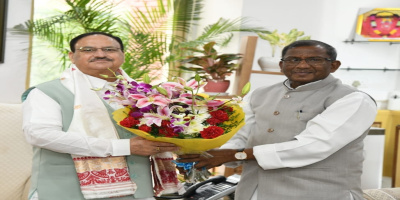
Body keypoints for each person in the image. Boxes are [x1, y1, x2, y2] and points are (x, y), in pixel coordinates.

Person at [178, 40, 377, 200]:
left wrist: (237, 155)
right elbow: (239, 136)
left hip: (319, 192)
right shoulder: (259, 94)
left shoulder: (353, 99)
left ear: (334, 65)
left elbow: (314, 145)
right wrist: (205, 156)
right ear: (281, 65)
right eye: (293, 59)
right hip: (252, 190)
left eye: (315, 59)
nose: (302, 65)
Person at [22, 32, 181, 200]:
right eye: (88, 49)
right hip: (65, 192)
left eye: (109, 49)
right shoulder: (47, 92)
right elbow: (39, 135)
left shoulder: (146, 95)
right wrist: (122, 147)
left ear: (122, 55)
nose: (100, 54)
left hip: (140, 193)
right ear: (72, 56)